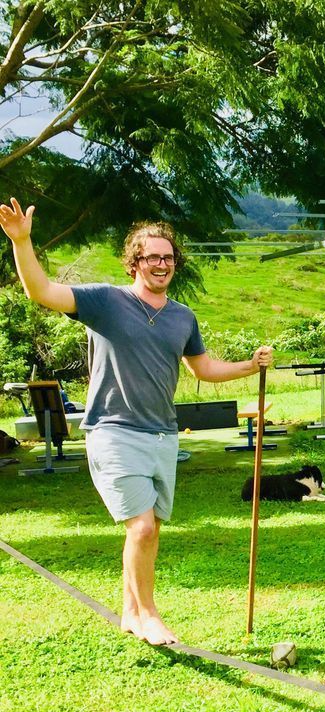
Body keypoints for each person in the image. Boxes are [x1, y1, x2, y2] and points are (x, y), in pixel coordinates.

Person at [1, 198, 273, 645]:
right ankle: (149, 616)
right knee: (142, 526)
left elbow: (202, 369)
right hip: (112, 430)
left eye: (168, 257)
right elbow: (41, 291)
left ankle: (129, 612)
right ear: (135, 262)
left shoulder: (183, 316)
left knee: (147, 530)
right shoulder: (105, 301)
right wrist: (22, 242)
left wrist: (249, 365)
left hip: (163, 434)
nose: (161, 263)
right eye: (152, 256)